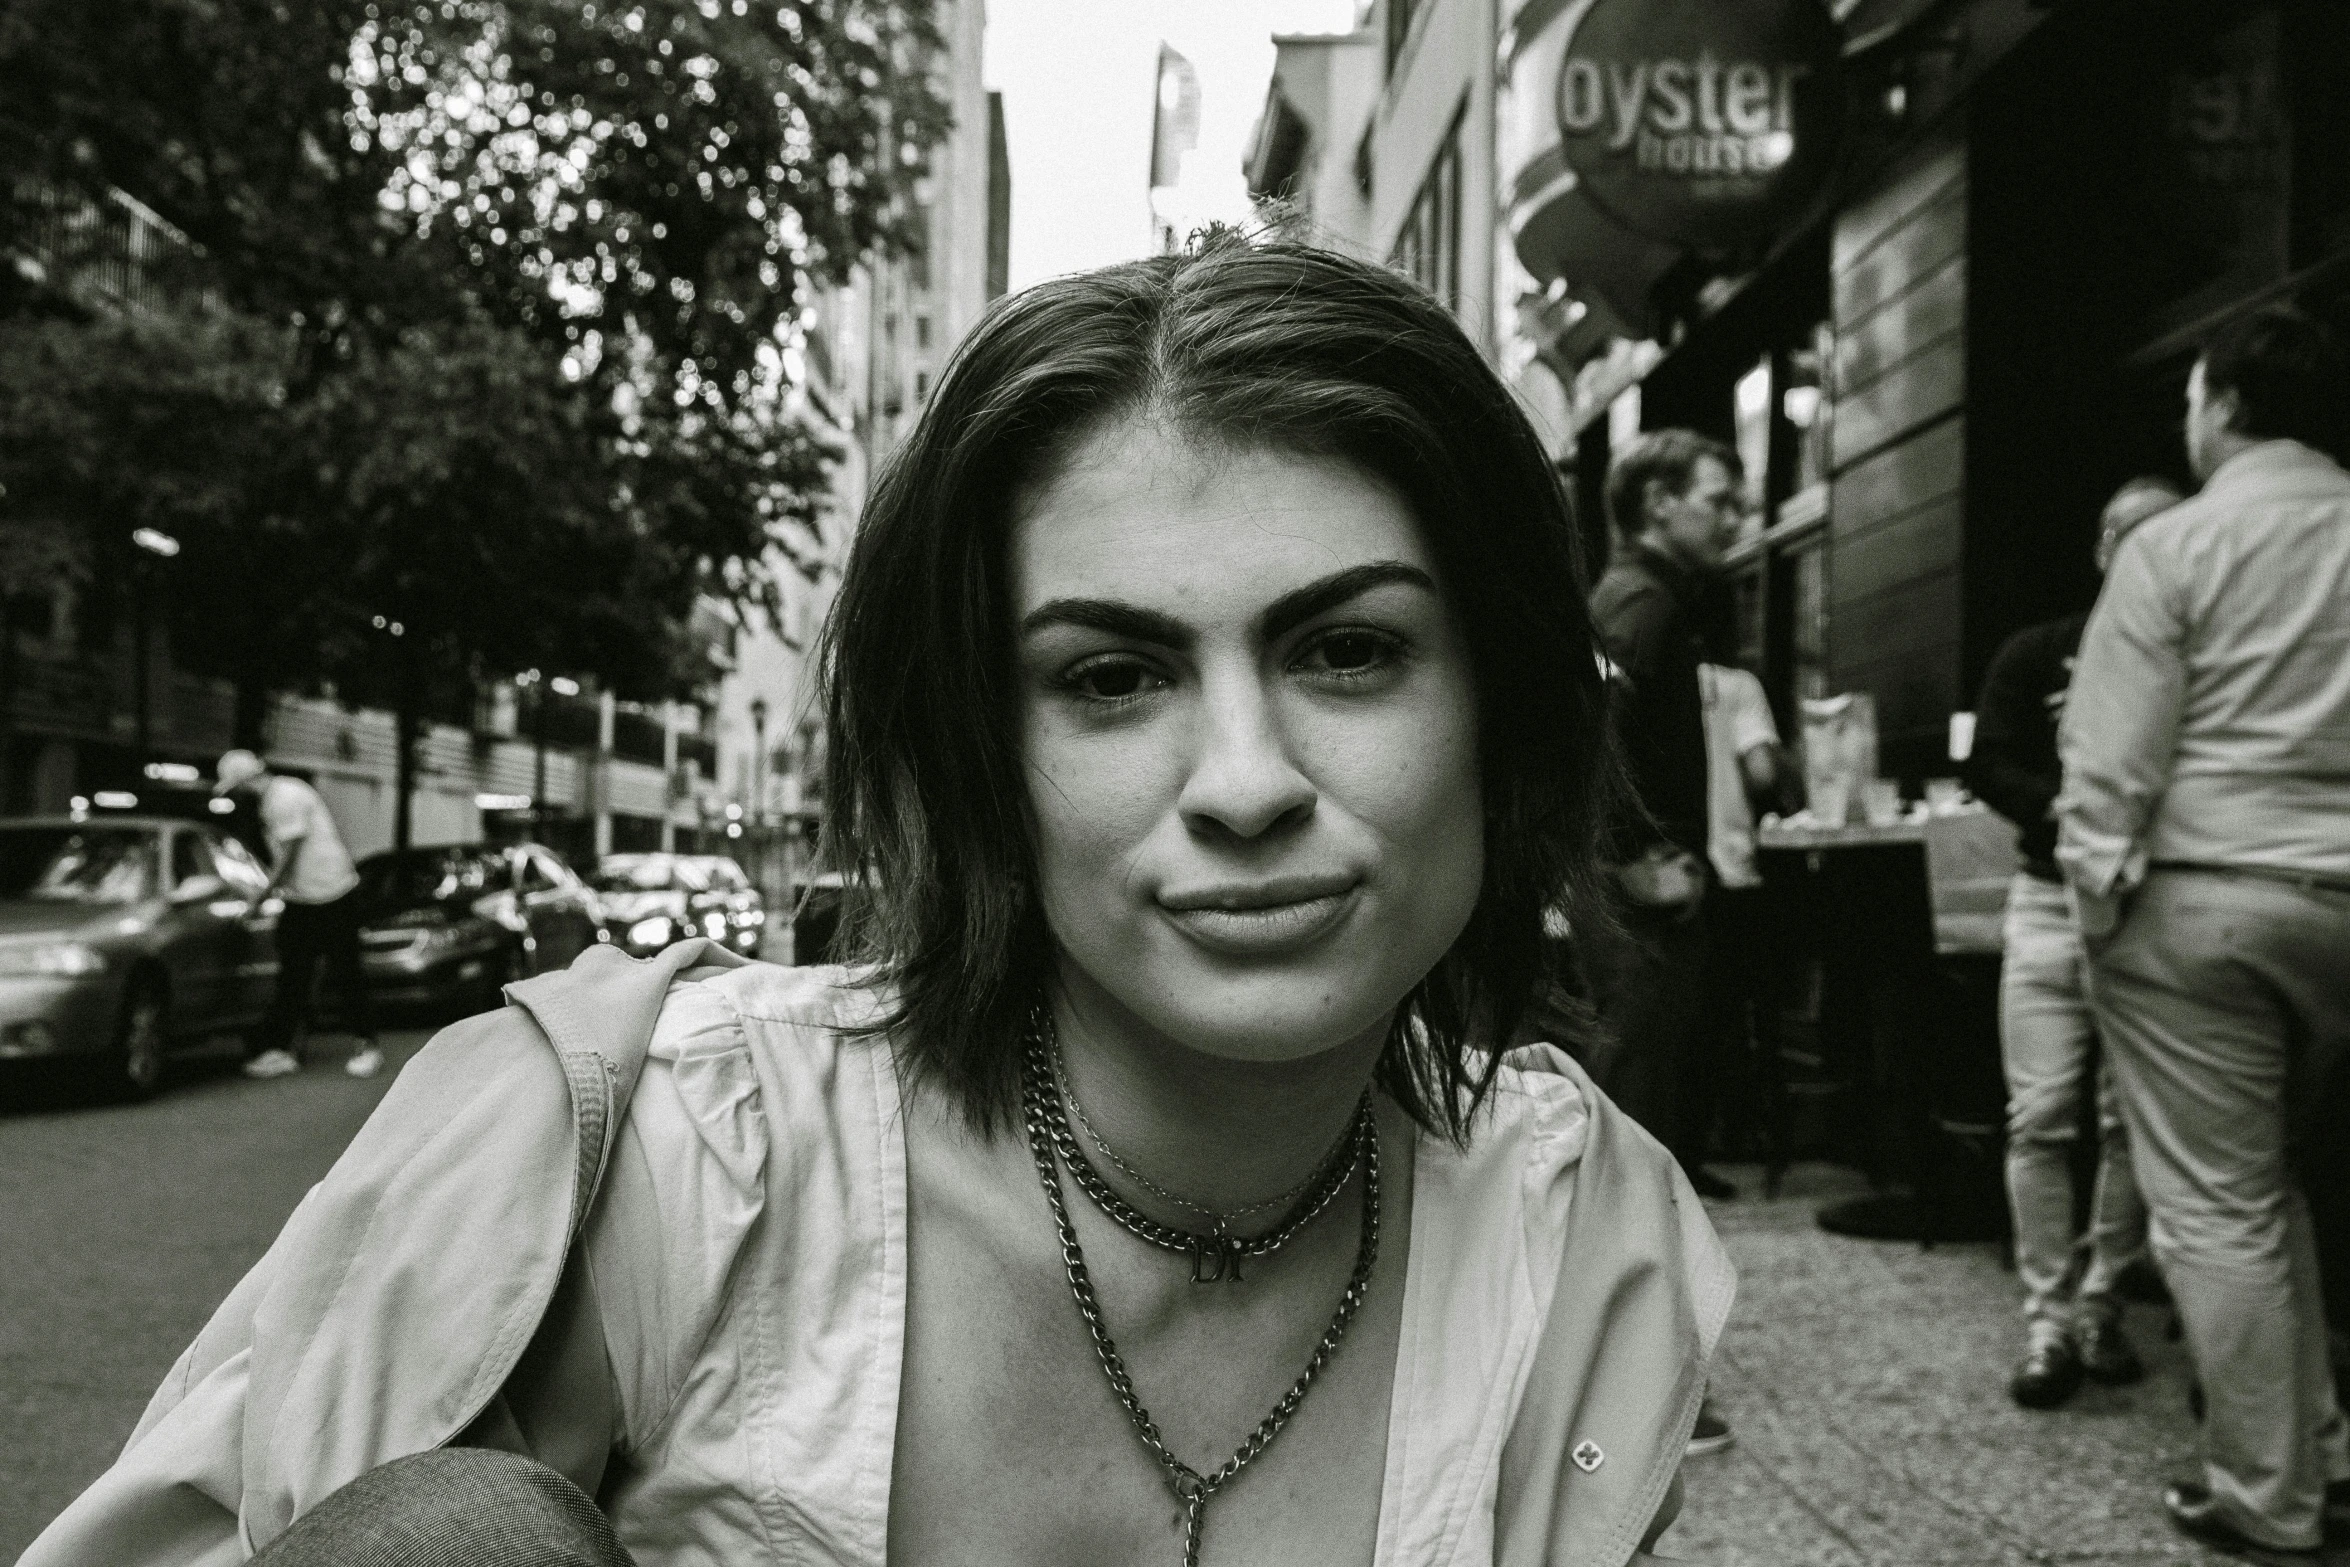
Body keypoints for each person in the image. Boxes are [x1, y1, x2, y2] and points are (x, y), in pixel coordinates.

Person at [29, 236, 1734, 1567]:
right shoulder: (644, 1163)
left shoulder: (1583, 1241)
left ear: (1503, 707)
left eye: (1350, 649)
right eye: (1116, 675)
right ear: (978, 753)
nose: (1244, 779)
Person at [2057, 307, 2350, 1556]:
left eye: (2190, 397)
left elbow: (2110, 759)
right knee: (2276, 1189)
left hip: (2202, 900)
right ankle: (2321, 1451)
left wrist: (2095, 905)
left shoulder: (2175, 544)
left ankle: (2263, 1493)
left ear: (2222, 401)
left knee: (2219, 1205)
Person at [1967, 477, 2179, 1411]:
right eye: (2132, 535)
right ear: (2102, 548)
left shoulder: (2193, 657)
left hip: (2149, 909)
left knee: (2128, 1118)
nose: (2148, 552)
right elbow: (1990, 760)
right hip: (2050, 903)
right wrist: (2065, 815)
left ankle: (2101, 1304)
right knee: (2041, 1115)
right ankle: (2047, 1321)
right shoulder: (2039, 650)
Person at [1586, 429, 1744, 1202]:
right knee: (1636, 1101)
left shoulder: (1641, 596)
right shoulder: (1642, 601)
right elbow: (1589, 728)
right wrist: (1626, 861)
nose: (1736, 519)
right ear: (1659, 503)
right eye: (1719, 501)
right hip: (1640, 896)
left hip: (1640, 885)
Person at [216, 749, 383, 1079]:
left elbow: (289, 855)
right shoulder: (276, 797)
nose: (237, 795)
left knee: (345, 971)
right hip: (304, 898)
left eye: (236, 788)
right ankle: (284, 1049)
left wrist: (261, 898)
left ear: (245, 781)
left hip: (333, 894)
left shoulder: (285, 796)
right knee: (293, 974)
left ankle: (367, 1045)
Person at [1696, 656, 1786, 1169]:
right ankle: (1730, 1141)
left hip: (1677, 865)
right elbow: (1762, 771)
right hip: (1731, 865)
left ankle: (1695, 1148)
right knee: (1732, 1013)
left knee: (1689, 1017)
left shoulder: (1636, 675)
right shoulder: (1737, 686)